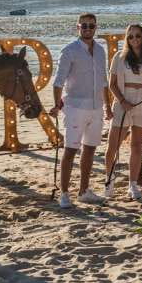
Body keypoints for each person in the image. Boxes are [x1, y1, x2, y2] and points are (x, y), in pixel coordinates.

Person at [52, 13, 113, 208]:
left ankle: (84, 191)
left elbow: (104, 81)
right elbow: (58, 82)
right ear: (78, 28)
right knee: (70, 150)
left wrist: (108, 107)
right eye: (84, 26)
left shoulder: (101, 51)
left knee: (90, 149)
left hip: (97, 108)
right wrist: (57, 104)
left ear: (96, 28)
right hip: (75, 107)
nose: (88, 29)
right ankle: (64, 193)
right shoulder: (69, 51)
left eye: (91, 26)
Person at [102, 24, 142, 201]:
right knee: (113, 146)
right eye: (131, 36)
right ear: (127, 38)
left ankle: (132, 185)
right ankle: (109, 180)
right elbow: (112, 84)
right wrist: (123, 101)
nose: (134, 39)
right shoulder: (119, 57)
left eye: (138, 36)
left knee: (137, 146)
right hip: (123, 102)